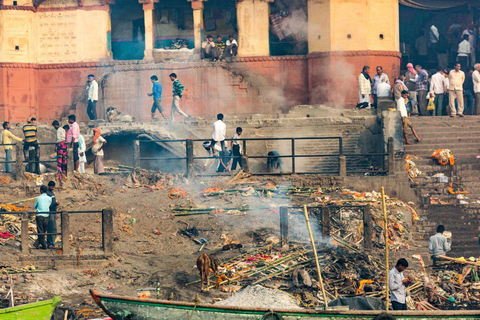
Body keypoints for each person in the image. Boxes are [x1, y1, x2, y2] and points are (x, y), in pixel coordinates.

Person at [34, 185, 52, 250]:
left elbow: (35, 206)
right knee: (43, 231)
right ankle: (37, 244)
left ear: (41, 190)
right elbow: (49, 205)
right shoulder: (50, 198)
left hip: (39, 215)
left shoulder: (38, 198)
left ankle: (44, 245)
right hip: (46, 215)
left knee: (40, 230)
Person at [46, 181, 59, 249]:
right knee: (51, 228)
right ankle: (50, 243)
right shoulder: (47, 194)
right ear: (49, 186)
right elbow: (48, 205)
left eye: (53, 187)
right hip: (50, 213)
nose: (53, 188)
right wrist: (56, 204)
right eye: (52, 187)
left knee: (54, 228)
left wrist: (55, 213)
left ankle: (52, 242)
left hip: (53, 213)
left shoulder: (52, 193)